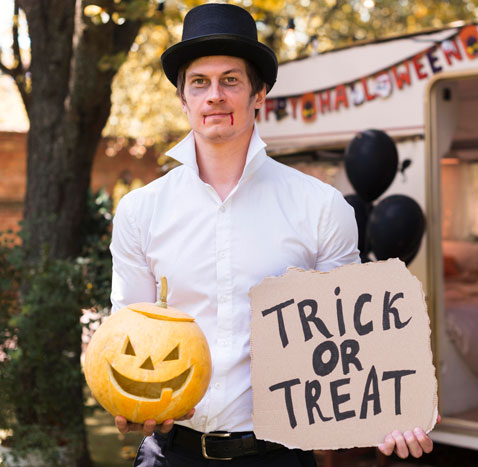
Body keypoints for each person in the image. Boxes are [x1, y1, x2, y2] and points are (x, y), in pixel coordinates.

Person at [110, 4, 436, 466]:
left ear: (259, 93)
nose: (214, 96)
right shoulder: (140, 211)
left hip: (278, 453)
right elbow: (128, 328)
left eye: (231, 80)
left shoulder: (321, 208)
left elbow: (356, 340)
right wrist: (127, 397)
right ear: (183, 99)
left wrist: (391, 408)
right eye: (199, 82)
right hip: (170, 452)